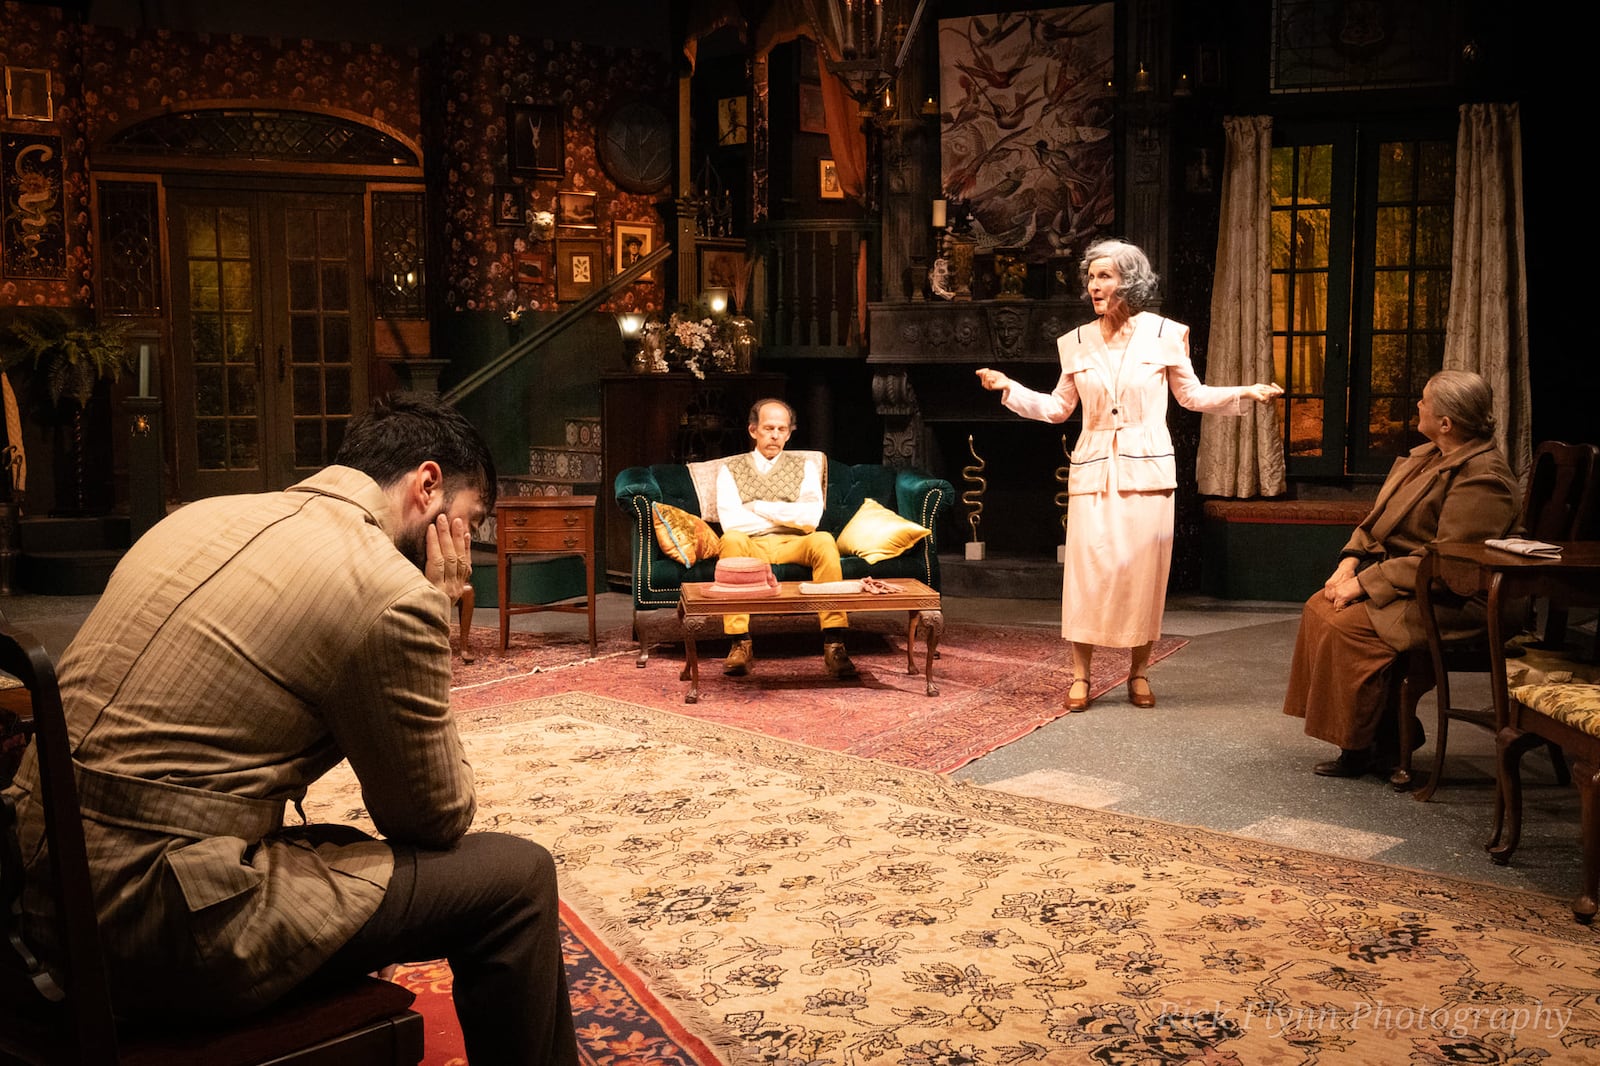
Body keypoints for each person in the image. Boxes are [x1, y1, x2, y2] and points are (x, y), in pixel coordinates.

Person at [2, 394, 579, 1065]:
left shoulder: (194, 519)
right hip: (139, 924)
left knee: (338, 845)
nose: (465, 548)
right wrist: (439, 607)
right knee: (517, 879)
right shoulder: (389, 589)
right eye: (467, 523)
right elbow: (433, 816)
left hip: (35, 875)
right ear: (427, 486)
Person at [976, 239, 1280, 711]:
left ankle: (1138, 672)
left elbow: (1192, 396)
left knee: (1142, 574)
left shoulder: (1165, 335)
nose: (1094, 286)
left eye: (1105, 277)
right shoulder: (1075, 343)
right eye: (1091, 277)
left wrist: (1247, 393)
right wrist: (1009, 388)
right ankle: (1081, 675)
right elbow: (1058, 410)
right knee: (1087, 573)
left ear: (1129, 283)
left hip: (1148, 470)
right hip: (1094, 469)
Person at [1282, 370, 1519, 778]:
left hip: (1458, 598)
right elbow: (1378, 521)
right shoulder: (1425, 457)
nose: (1419, 406)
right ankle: (1381, 735)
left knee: (1349, 628)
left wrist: (1364, 585)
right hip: (1414, 582)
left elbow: (1450, 562)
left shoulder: (1482, 477)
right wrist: (1349, 562)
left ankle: (1371, 743)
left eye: (1425, 401)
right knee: (1319, 607)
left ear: (1446, 423)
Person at [716, 398, 855, 679]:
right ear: (753, 430)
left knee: (824, 540)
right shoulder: (730, 469)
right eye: (768, 428)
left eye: (782, 429)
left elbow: (809, 520)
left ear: (790, 433)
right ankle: (739, 642)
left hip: (794, 542)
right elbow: (732, 520)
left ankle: (834, 642)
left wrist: (757, 507)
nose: (775, 435)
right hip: (750, 544)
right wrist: (788, 513)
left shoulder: (804, 467)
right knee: (730, 539)